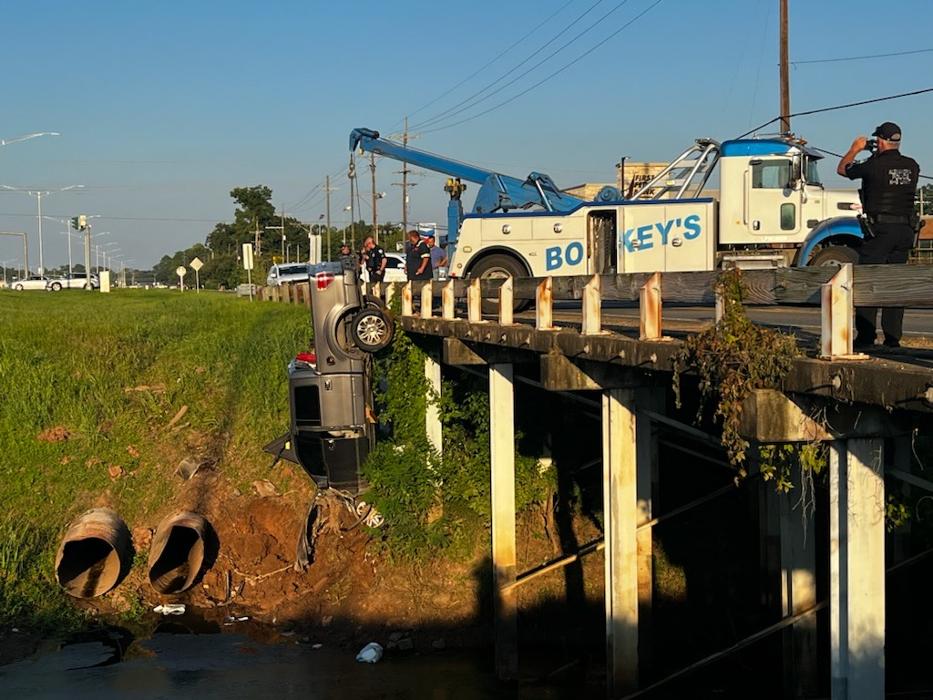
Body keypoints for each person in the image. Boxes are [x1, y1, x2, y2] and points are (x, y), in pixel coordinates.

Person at [837, 121, 920, 348]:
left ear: (881, 141)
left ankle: (866, 336)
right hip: (905, 232)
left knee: (868, 282)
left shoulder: (872, 166)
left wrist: (855, 149)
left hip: (880, 232)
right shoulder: (912, 166)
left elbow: (843, 169)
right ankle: (893, 338)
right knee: (895, 284)